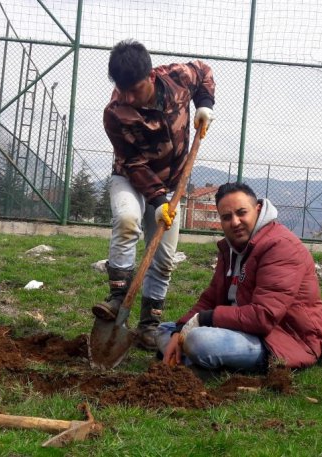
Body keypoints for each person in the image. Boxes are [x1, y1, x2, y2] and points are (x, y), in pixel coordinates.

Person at [91, 39, 216, 350]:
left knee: (163, 258)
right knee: (127, 217)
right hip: (131, 179)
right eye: (123, 90)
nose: (129, 97)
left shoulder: (177, 77)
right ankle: (118, 297)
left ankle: (149, 326)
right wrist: (157, 202)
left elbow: (203, 70)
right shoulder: (115, 113)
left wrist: (204, 104)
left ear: (149, 76)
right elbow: (132, 162)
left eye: (135, 89)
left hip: (172, 183)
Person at [158, 182, 322, 370]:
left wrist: (204, 320)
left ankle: (194, 359)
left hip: (281, 338)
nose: (235, 222)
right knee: (165, 330)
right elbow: (210, 298)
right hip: (240, 328)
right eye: (226, 217)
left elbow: (263, 317)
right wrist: (180, 328)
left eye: (242, 213)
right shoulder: (231, 247)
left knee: (198, 340)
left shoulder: (281, 246)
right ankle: (193, 358)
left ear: (257, 209)